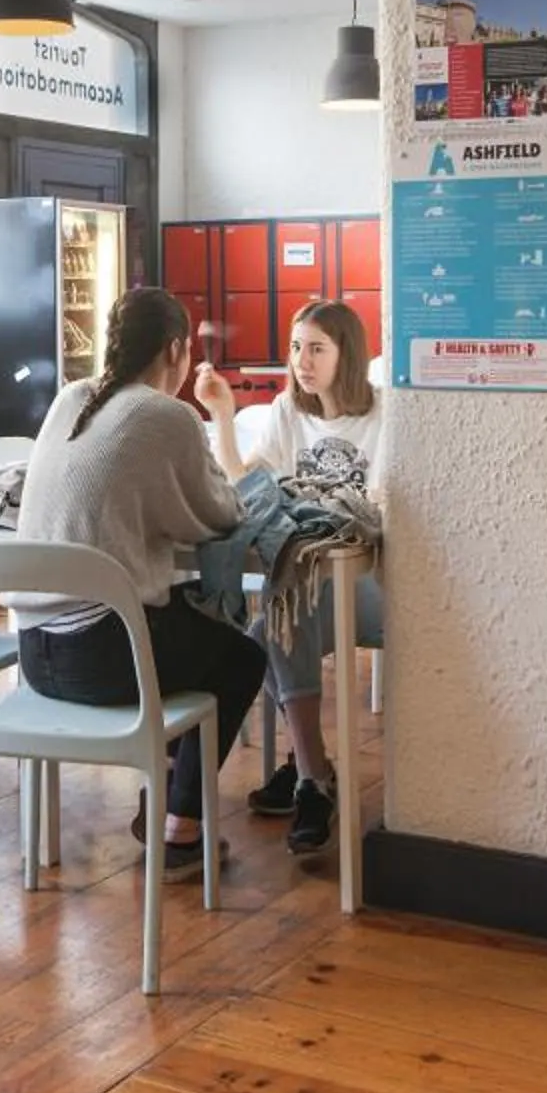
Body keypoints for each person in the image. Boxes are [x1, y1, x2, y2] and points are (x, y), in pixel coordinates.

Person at [9, 287, 262, 881]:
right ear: (177, 348)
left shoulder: (71, 398)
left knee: (181, 623)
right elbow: (218, 514)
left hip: (34, 654)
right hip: (103, 657)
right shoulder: (165, 414)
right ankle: (180, 831)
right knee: (241, 658)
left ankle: (169, 785)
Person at [194, 299, 382, 857]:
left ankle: (309, 771)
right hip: (307, 587)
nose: (302, 360)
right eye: (296, 347)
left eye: (317, 348)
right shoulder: (285, 411)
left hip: (372, 588)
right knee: (263, 634)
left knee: (276, 618)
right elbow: (242, 481)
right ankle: (311, 774)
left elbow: (385, 507)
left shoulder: (384, 413)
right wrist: (222, 416)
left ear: (347, 354)